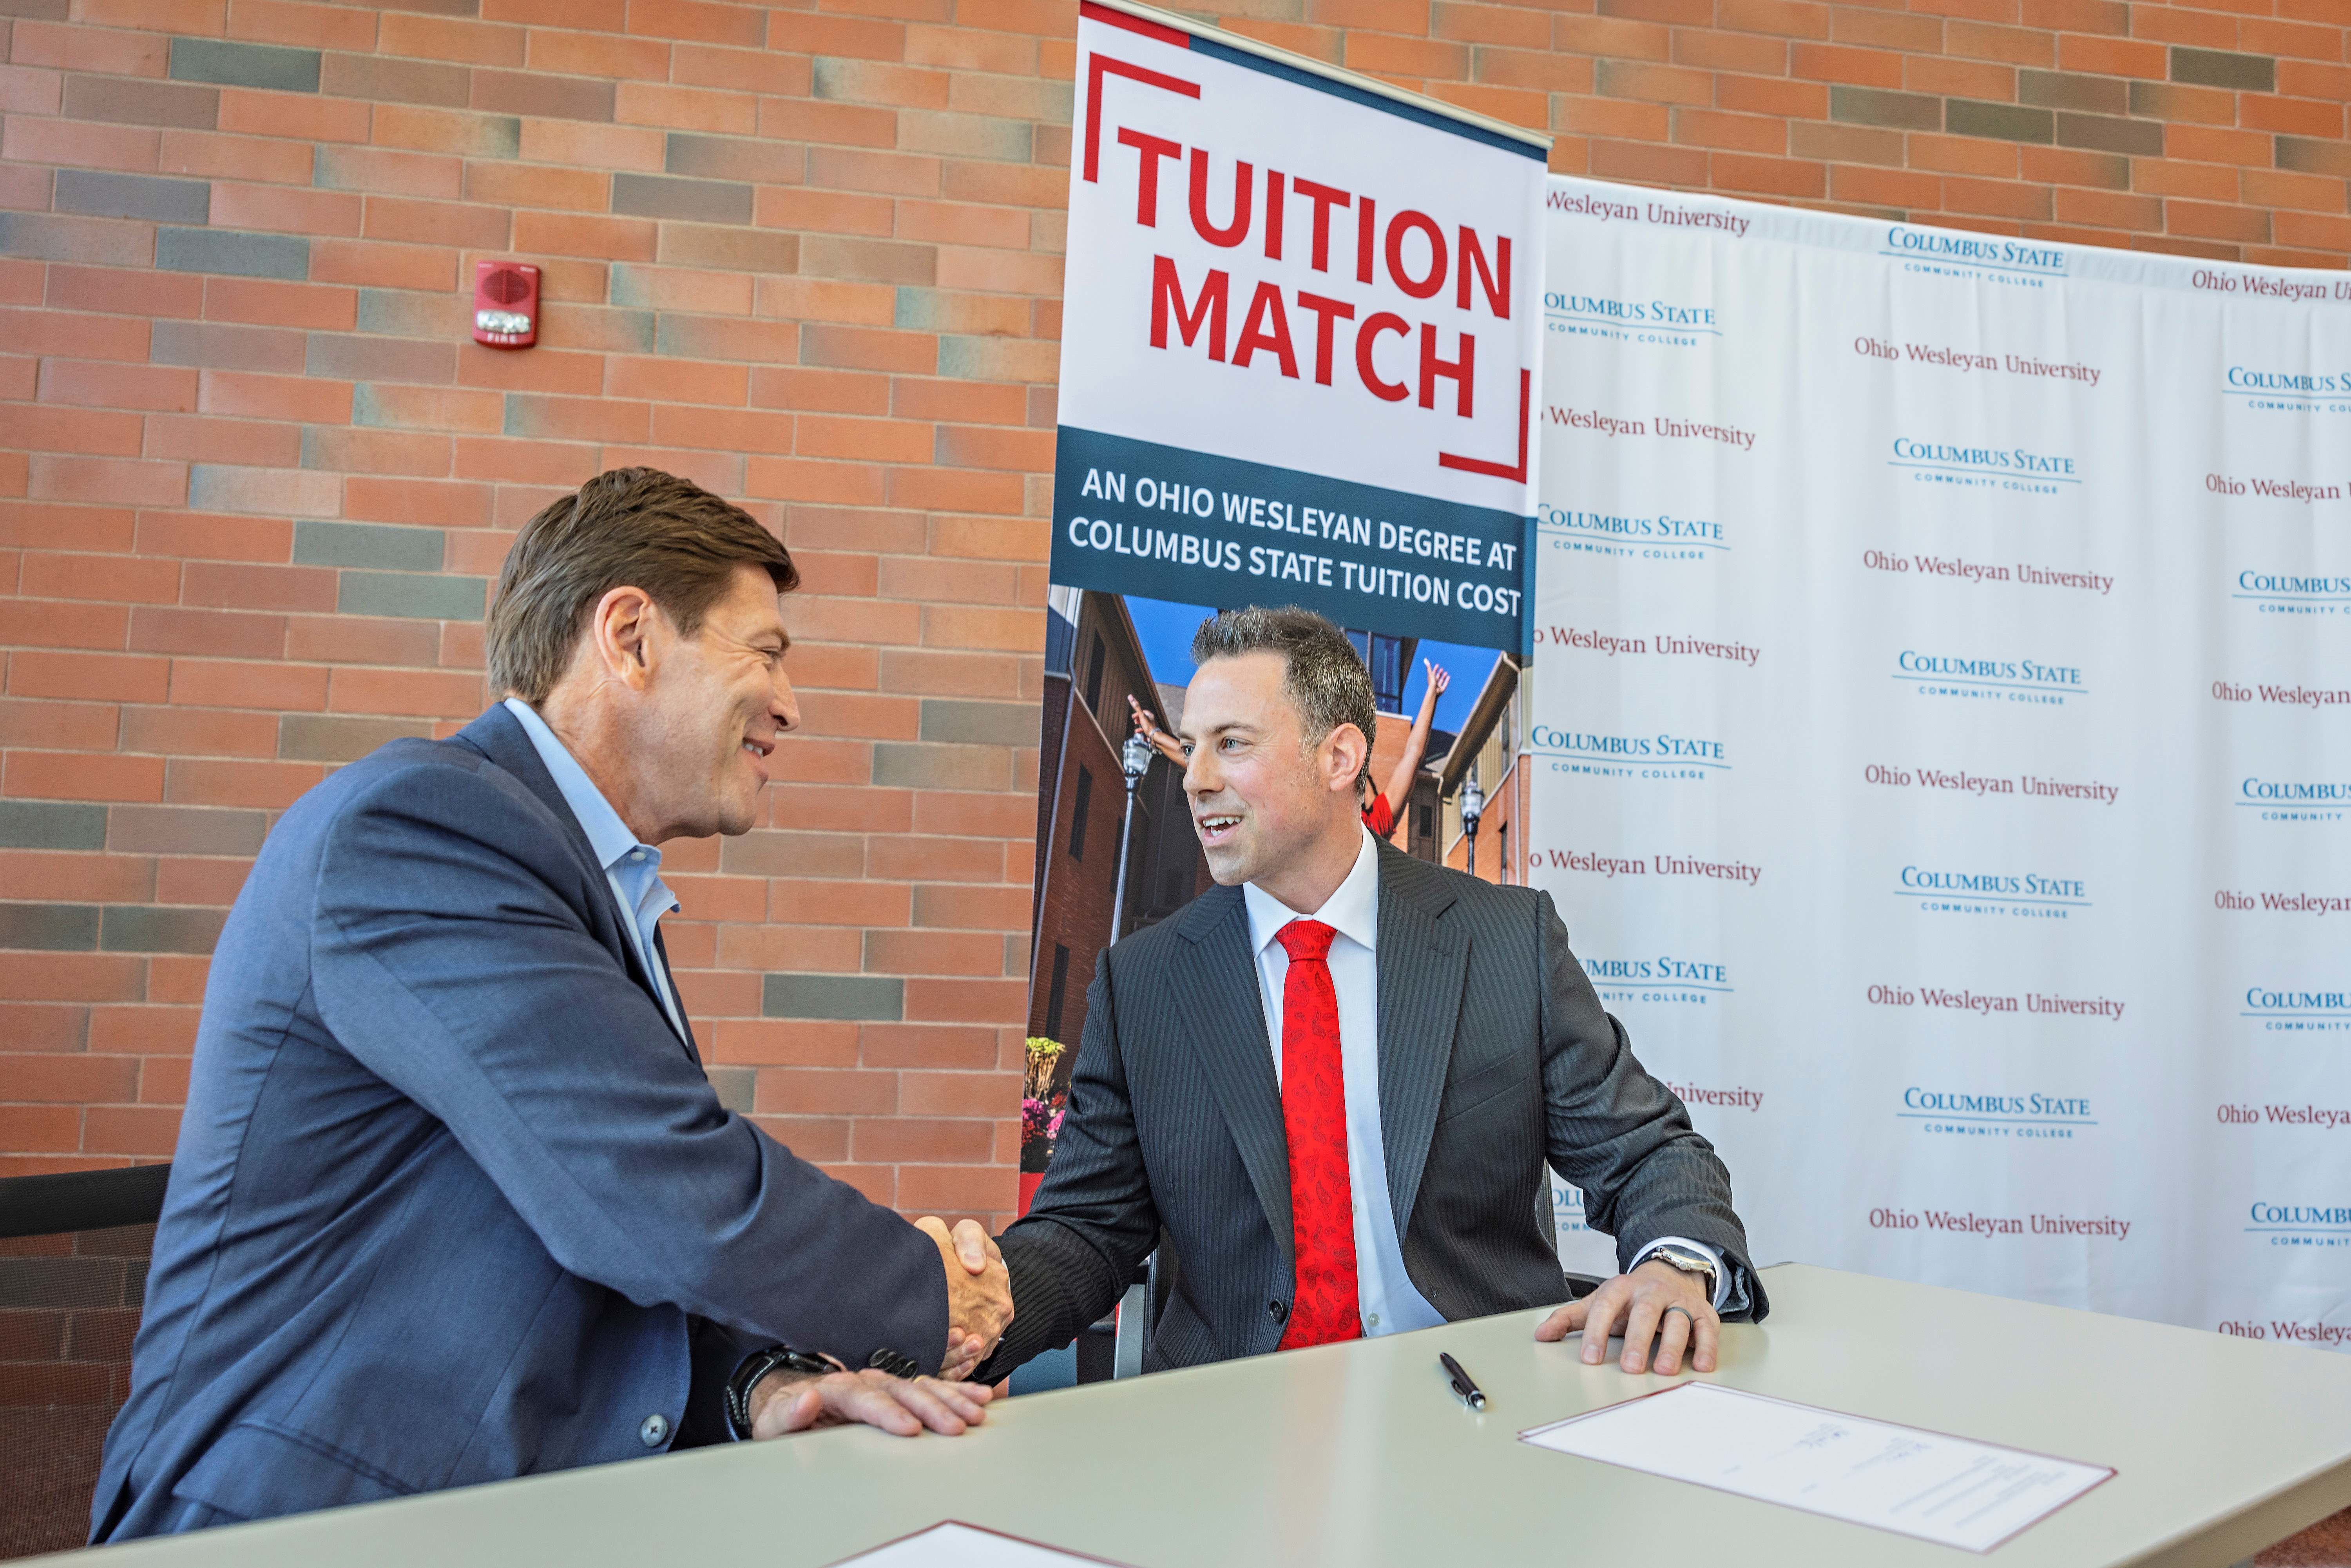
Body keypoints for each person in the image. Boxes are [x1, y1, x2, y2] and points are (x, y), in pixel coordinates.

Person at [92, 469, 1012, 1541]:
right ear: (628, 636)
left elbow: (572, 1225)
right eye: (764, 652)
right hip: (294, 1527)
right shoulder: (421, 831)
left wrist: (756, 1387)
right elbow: (656, 1189)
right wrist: (930, 1288)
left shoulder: (573, 876)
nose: (790, 705)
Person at [977, 607, 1763, 1385]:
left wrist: (1673, 1268)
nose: (1197, 779)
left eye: (1233, 745)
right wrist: (956, 1317)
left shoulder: (1504, 944)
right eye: (1191, 748)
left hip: (1479, 1412)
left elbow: (1650, 1154)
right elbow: (1085, 1230)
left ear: (1340, 756)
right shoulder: (1141, 983)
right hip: (1232, 1428)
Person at [1130, 655, 1448, 840]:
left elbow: (1413, 752)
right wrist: (1156, 735)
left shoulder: (1374, 824)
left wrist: (1432, 694)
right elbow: (1210, 767)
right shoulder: (1297, 795)